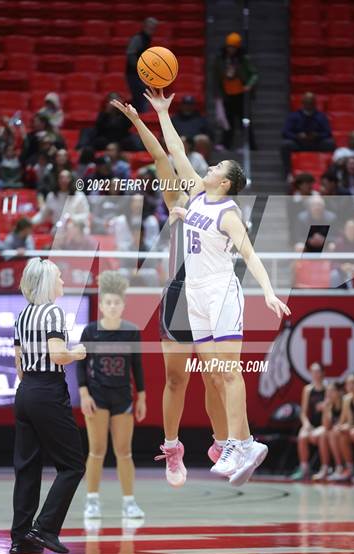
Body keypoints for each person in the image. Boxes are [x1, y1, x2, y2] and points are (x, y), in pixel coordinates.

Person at [145, 87, 291, 486]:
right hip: (194, 293)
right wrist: (161, 112)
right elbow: (175, 150)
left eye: (215, 169)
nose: (207, 169)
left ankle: (242, 443)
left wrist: (268, 291)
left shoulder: (229, 213)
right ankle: (237, 443)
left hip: (221, 290)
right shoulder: (196, 194)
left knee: (227, 370)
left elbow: (251, 255)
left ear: (224, 184)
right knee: (213, 370)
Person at [110, 98, 229, 487]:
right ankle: (173, 447)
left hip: (210, 294)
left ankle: (223, 443)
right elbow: (163, 155)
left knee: (215, 377)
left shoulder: (227, 211)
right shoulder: (180, 199)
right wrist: (138, 119)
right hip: (179, 292)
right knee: (176, 379)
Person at [10, 258, 86, 554]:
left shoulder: (23, 316)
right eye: (59, 277)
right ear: (46, 283)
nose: (63, 282)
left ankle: (21, 538)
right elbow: (58, 356)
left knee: (27, 468)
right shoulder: (53, 313)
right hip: (48, 392)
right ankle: (45, 528)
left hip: (25, 391)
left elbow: (18, 366)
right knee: (72, 465)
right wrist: (77, 353)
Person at [77, 271, 146, 519]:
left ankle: (129, 502)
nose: (113, 306)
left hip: (123, 399)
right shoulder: (90, 332)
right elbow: (81, 367)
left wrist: (142, 397)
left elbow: (137, 366)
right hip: (97, 397)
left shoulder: (132, 332)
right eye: (108, 302)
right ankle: (92, 501)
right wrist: (84, 394)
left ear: (123, 305)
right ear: (102, 306)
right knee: (96, 450)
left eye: (117, 302)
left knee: (124, 451)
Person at [213, 32, 258, 150]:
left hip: (241, 94)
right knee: (228, 121)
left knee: (245, 121)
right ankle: (225, 144)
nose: (230, 49)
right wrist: (218, 93)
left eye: (233, 47)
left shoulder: (243, 59)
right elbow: (216, 76)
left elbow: (254, 74)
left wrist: (248, 85)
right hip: (227, 94)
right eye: (229, 47)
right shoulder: (221, 59)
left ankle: (250, 145)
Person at [281, 92, 335, 178]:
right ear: (302, 103)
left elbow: (328, 133)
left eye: (311, 102)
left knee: (330, 143)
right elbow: (285, 132)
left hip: (316, 143)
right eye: (307, 102)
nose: (309, 105)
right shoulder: (294, 116)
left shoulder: (321, 116)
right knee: (285, 145)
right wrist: (297, 136)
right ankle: (288, 172)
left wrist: (318, 135)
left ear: (314, 103)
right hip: (299, 143)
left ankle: (329, 173)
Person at [291, 362, 326, 481]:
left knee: (321, 437)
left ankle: (324, 468)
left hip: (325, 425)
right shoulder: (308, 390)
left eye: (317, 372)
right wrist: (306, 424)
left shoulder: (328, 389)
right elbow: (303, 412)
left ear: (322, 373)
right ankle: (304, 468)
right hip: (312, 425)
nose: (315, 374)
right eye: (313, 372)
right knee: (302, 436)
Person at [327, 374, 354, 482]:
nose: (351, 386)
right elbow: (345, 420)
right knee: (336, 433)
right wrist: (341, 427)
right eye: (348, 384)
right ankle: (348, 467)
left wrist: (350, 427)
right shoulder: (347, 399)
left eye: (353, 383)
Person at [311, 382, 344, 481]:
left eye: (332, 391)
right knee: (323, 435)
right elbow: (326, 425)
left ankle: (340, 467)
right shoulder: (329, 405)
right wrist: (326, 409)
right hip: (335, 431)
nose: (329, 394)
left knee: (331, 434)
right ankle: (325, 468)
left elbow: (343, 422)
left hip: (345, 430)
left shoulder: (345, 402)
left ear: (339, 392)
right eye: (327, 392)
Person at [125, 17, 158, 112]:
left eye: (154, 28)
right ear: (145, 26)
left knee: (142, 98)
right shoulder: (138, 38)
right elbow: (130, 54)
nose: (152, 30)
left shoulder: (147, 38)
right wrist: (140, 69)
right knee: (140, 99)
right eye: (150, 27)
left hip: (140, 74)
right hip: (134, 74)